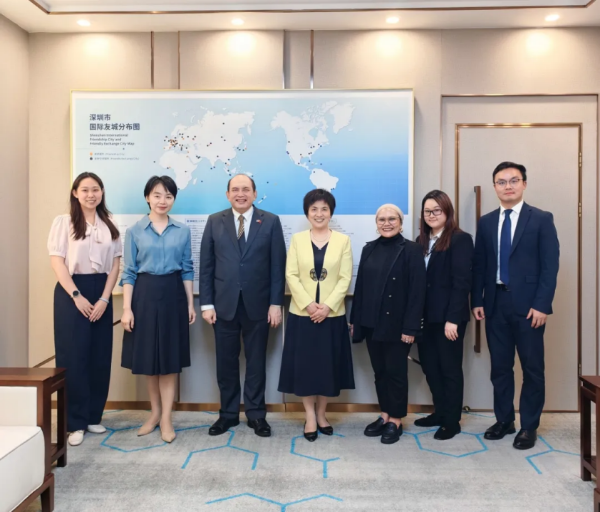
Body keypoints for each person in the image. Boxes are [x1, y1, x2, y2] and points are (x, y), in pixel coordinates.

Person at [472, 161, 559, 450]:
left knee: (532, 369)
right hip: (495, 303)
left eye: (513, 180)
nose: (507, 186)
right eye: (501, 182)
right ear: (494, 186)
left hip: (529, 307)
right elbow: (480, 264)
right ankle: (504, 420)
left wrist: (542, 304)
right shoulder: (486, 222)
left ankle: (529, 426)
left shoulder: (541, 219)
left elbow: (550, 266)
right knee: (500, 367)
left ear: (524, 184)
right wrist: (477, 299)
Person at [200, 174, 286, 438]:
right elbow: (206, 266)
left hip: (258, 306)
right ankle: (227, 415)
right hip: (223, 306)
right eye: (235, 189)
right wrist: (206, 304)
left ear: (254, 193)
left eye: (246, 189)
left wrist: (275, 303)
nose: (241, 194)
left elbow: (277, 266)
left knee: (256, 362)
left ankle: (256, 414)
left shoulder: (270, 221)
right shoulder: (215, 221)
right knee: (225, 364)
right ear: (227, 194)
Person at [120, 175, 196, 444]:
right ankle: (154, 414)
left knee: (169, 362)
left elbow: (187, 268)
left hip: (174, 294)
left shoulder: (182, 231)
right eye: (157, 195)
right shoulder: (134, 231)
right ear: (147, 197)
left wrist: (190, 303)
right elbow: (129, 272)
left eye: (168, 196)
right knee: (150, 361)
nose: (163, 201)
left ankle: (166, 418)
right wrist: (127, 309)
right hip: (144, 295)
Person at [48, 172, 121, 447]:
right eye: (85, 190)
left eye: (96, 189)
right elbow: (57, 262)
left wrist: (104, 299)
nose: (91, 195)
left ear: (102, 192)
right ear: (75, 192)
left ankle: (92, 416)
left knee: (100, 356)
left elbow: (115, 263)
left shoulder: (109, 222)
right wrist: (76, 295)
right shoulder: (64, 222)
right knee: (74, 357)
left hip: (101, 291)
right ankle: (74, 423)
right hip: (71, 291)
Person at [278, 189, 355, 442]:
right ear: (307, 213)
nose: (319, 213)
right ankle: (309, 415)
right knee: (305, 368)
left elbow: (345, 277)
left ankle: (322, 414)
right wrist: (309, 305)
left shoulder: (342, 241)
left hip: (331, 316)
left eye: (324, 209)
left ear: (331, 212)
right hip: (303, 315)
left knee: (326, 368)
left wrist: (327, 306)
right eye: (314, 209)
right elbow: (291, 275)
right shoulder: (297, 240)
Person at [350, 204, 426, 445]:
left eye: (392, 219)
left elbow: (417, 292)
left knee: (396, 373)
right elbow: (361, 287)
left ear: (401, 223)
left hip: (397, 325)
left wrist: (410, 328)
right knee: (380, 372)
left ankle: (396, 419)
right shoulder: (369, 249)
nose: (387, 223)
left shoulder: (412, 250)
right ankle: (384, 414)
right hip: (371, 323)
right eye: (382, 219)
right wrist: (355, 321)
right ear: (376, 223)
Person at [414, 190, 473, 440]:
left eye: (437, 210)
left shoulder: (460, 239)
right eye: (427, 211)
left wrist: (453, 319)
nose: (432, 215)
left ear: (447, 211)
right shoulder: (420, 241)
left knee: (449, 369)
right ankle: (439, 412)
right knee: (430, 368)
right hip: (425, 318)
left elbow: (462, 282)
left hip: (449, 318)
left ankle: (452, 420)